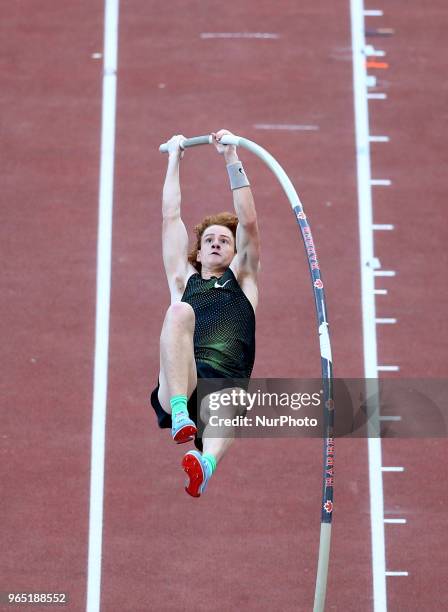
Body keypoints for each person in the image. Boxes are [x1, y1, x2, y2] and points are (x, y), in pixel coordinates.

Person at [150, 129, 260, 497]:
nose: (216, 243)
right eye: (209, 239)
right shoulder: (184, 280)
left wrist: (231, 158)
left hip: (224, 388)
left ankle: (205, 465)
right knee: (179, 311)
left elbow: (249, 224)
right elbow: (170, 218)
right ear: (198, 252)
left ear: (234, 253)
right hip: (185, 380)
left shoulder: (243, 281)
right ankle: (181, 415)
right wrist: (174, 159)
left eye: (224, 241)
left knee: (232, 399)